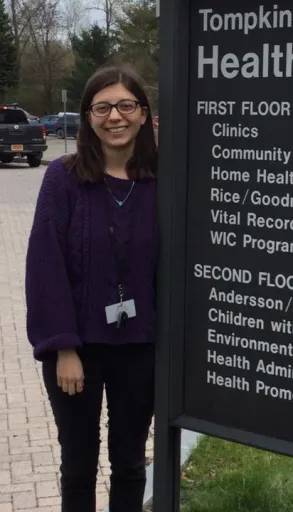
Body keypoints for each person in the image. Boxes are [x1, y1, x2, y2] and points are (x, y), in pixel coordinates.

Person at [25, 65, 158, 512]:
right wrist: (62, 347)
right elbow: (44, 266)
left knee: (130, 464)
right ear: (87, 116)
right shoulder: (63, 178)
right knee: (79, 465)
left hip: (140, 347)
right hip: (77, 349)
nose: (114, 117)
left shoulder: (163, 181)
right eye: (102, 107)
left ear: (143, 114)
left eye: (126, 105)